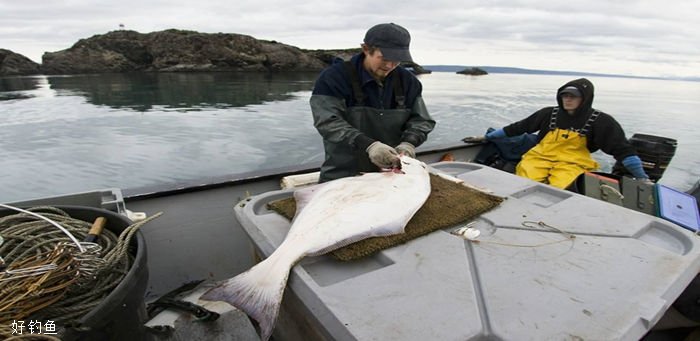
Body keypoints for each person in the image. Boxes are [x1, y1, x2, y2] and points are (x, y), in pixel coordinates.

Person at [310, 23, 436, 182]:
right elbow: (328, 122)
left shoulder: (409, 82)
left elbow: (422, 120)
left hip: (392, 174)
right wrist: (369, 145)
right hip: (343, 174)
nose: (390, 66)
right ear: (366, 49)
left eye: (397, 60)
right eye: (384, 58)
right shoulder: (333, 78)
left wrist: (409, 143)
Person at [484, 78, 648, 189]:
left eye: (573, 97)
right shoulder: (548, 113)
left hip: (572, 163)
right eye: (565, 95)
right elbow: (518, 127)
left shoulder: (601, 121)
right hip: (539, 157)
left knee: (561, 188)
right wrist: (488, 137)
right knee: (524, 182)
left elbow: (622, 149)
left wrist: (642, 177)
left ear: (585, 98)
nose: (568, 100)